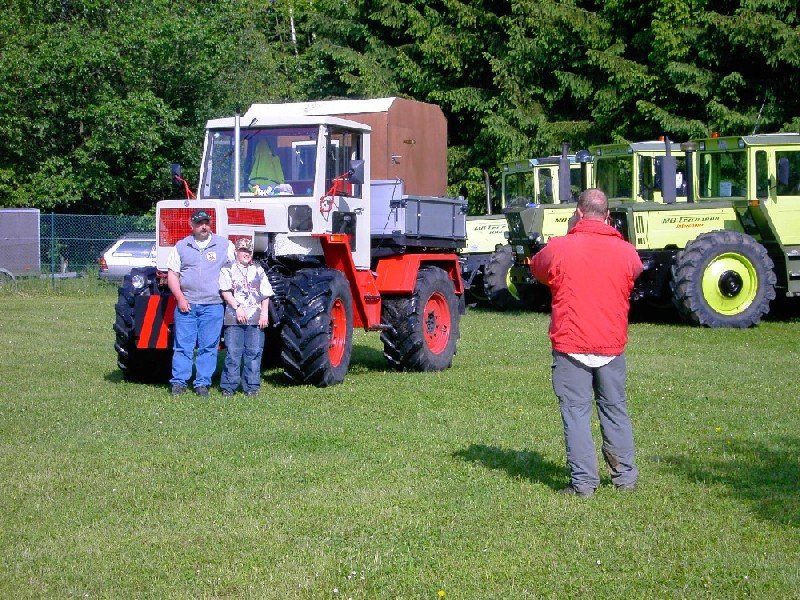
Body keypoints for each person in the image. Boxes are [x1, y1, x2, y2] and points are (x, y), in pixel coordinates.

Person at [531, 188, 644, 497]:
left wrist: (569, 236)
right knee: (615, 409)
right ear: (607, 215)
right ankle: (625, 478)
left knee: (576, 414)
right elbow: (636, 271)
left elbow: (537, 269)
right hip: (611, 344)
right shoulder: (626, 251)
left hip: (571, 344)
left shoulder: (560, 247)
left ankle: (583, 484)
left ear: (578, 213)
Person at [166, 210, 235, 397]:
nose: (203, 226)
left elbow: (233, 270)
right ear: (192, 225)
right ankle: (179, 382)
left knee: (208, 347)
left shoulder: (224, 245)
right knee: (183, 346)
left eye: (206, 222)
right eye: (199, 223)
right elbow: (172, 274)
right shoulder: (181, 246)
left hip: (213, 305)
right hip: (187, 305)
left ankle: (202, 383)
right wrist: (180, 298)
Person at [218, 238, 273, 397]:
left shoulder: (258, 270)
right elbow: (225, 292)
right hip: (234, 318)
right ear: (236, 252)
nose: (246, 254)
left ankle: (251, 387)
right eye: (243, 250)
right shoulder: (227, 269)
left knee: (254, 353)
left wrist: (264, 313)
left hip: (256, 319)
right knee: (234, 353)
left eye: (249, 251)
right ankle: (229, 387)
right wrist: (237, 307)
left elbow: (266, 294)